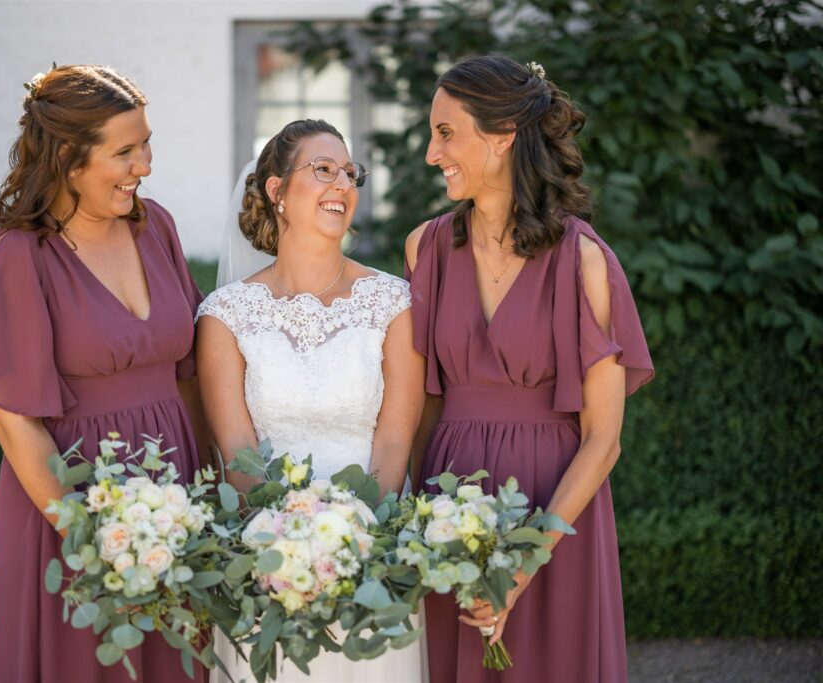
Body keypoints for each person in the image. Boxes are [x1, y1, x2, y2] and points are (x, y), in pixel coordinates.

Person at [0, 65, 209, 683]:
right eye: (125, 151)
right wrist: (90, 541)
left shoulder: (155, 226)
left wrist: (205, 495)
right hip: (70, 504)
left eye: (147, 143)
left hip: (177, 494)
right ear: (67, 156)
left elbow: (191, 372)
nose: (145, 164)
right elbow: (14, 420)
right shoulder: (18, 256)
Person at [405, 55, 655, 683]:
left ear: (503, 135)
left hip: (554, 512)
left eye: (445, 133)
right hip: (448, 508)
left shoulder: (584, 262)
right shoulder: (425, 248)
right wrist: (411, 523)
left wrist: (522, 562)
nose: (433, 155)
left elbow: (603, 439)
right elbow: (419, 408)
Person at [196, 119, 427, 682]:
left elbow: (396, 442)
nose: (342, 184)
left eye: (350, 173)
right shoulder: (225, 315)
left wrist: (358, 545)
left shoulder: (394, 303)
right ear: (276, 191)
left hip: (373, 558)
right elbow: (237, 454)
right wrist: (287, 550)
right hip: (266, 560)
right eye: (323, 169)